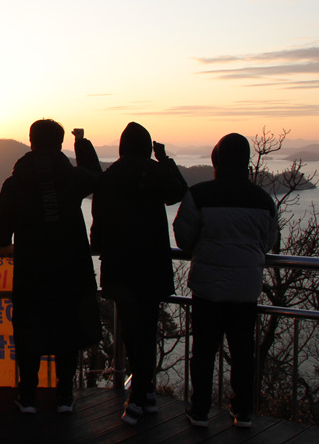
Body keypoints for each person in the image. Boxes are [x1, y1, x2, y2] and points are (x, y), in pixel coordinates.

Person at [0, 119, 102, 414]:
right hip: (71, 270)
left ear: (31, 141)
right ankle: (64, 395)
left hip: (31, 272)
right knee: (68, 330)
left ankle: (27, 395)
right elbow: (96, 178)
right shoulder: (72, 178)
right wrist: (83, 145)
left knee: (29, 331)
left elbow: (0, 239)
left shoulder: (15, 184)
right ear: (60, 143)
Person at [173, 133, 278, 429]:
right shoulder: (263, 200)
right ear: (246, 162)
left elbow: (183, 238)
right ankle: (242, 411)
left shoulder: (199, 195)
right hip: (246, 289)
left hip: (208, 288)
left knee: (204, 353)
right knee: (243, 353)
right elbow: (269, 242)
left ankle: (200, 410)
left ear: (216, 160)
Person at [90, 122, 187, 425]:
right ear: (147, 147)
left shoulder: (109, 176)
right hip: (152, 265)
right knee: (146, 328)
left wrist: (98, 245)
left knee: (132, 332)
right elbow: (179, 192)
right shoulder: (154, 172)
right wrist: (165, 160)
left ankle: (140, 396)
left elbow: (98, 219)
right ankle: (144, 394)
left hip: (120, 265)